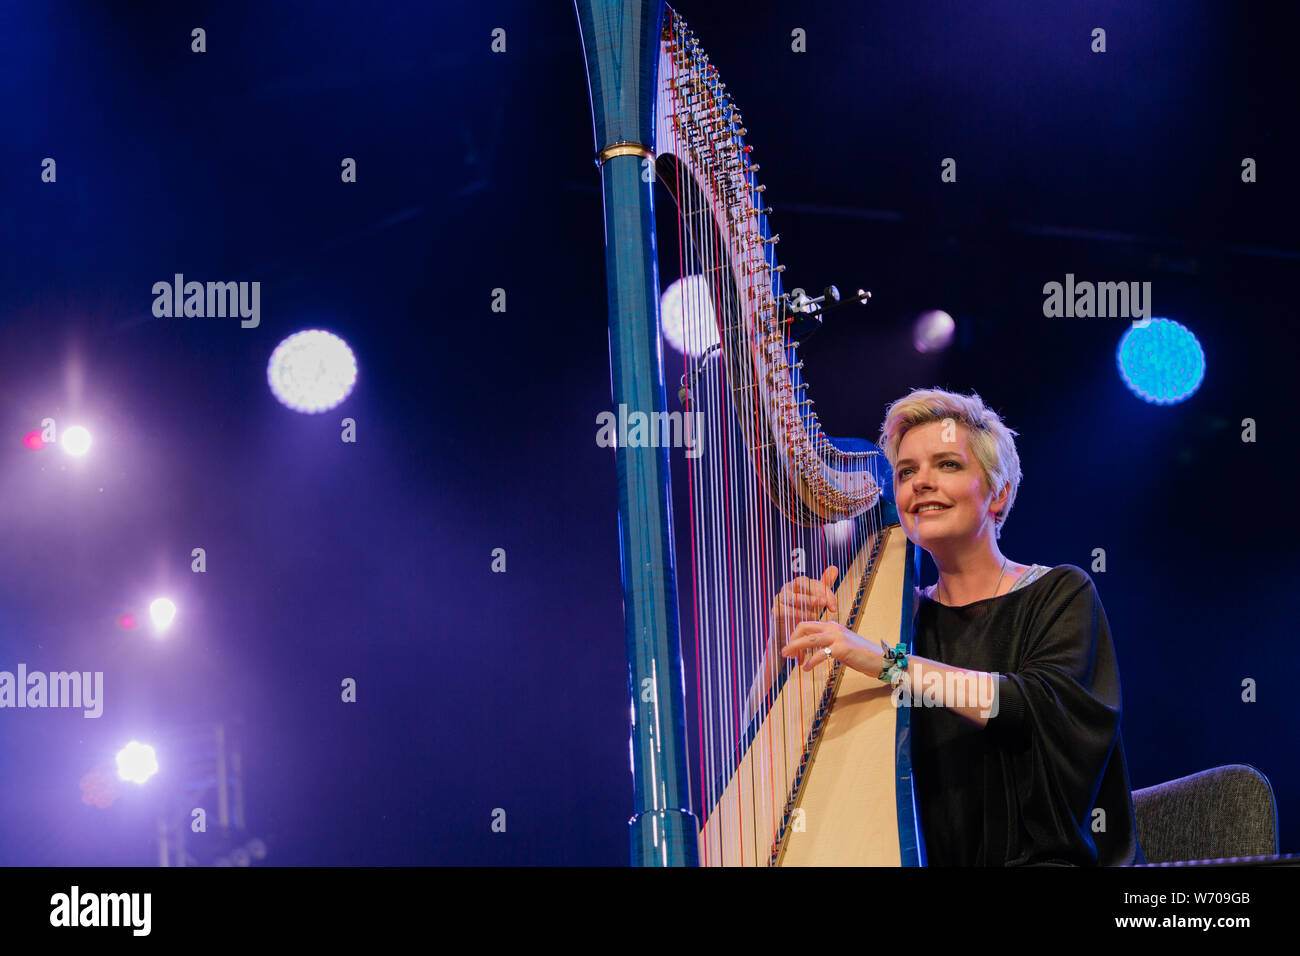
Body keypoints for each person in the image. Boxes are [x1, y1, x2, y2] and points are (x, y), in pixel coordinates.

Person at [775, 387, 1144, 866]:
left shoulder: (1061, 592)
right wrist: (785, 643)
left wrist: (884, 662)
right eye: (906, 472)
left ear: (999, 493)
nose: (920, 483)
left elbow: (1029, 707)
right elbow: (780, 752)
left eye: (947, 464)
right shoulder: (893, 619)